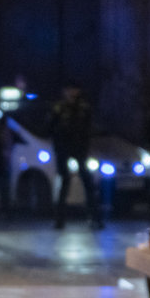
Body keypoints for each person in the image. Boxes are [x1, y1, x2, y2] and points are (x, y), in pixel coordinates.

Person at [46, 82, 102, 229]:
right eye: (69, 90)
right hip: (63, 149)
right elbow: (50, 128)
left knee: (87, 183)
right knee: (64, 184)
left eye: (74, 90)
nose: (72, 93)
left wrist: (86, 147)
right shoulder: (58, 108)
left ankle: (95, 218)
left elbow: (88, 129)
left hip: (80, 149)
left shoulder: (84, 108)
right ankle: (59, 220)